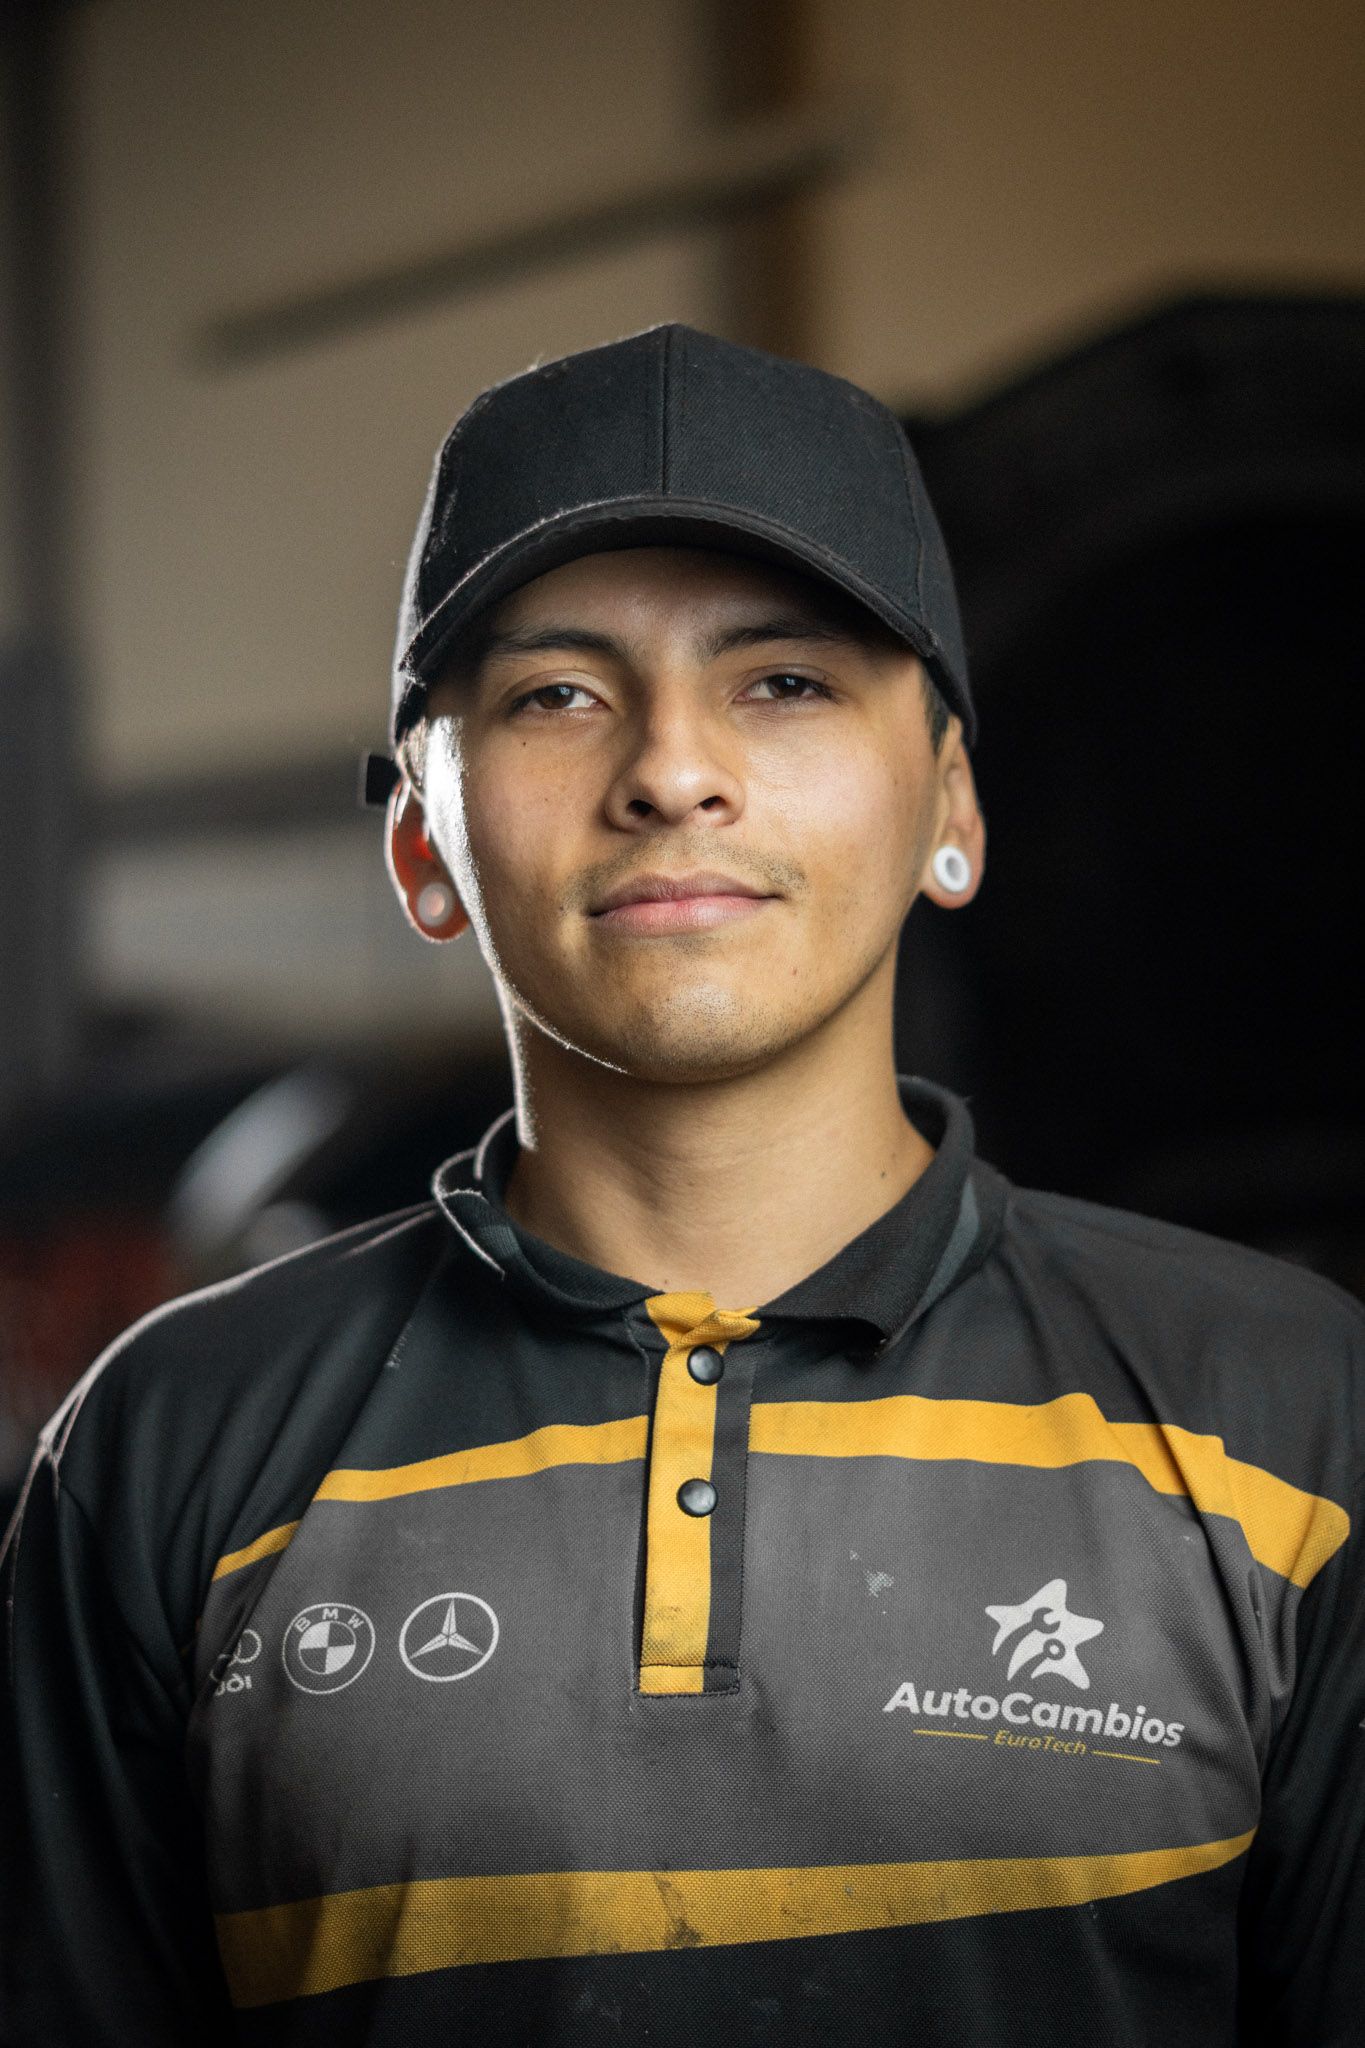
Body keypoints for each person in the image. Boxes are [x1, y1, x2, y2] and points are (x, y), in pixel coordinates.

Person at [2, 323, 1361, 2048]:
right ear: (423, 845)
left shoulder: (1289, 1414)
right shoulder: (171, 1450)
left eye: (781, 681)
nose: (669, 768)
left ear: (951, 801)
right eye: (556, 693)